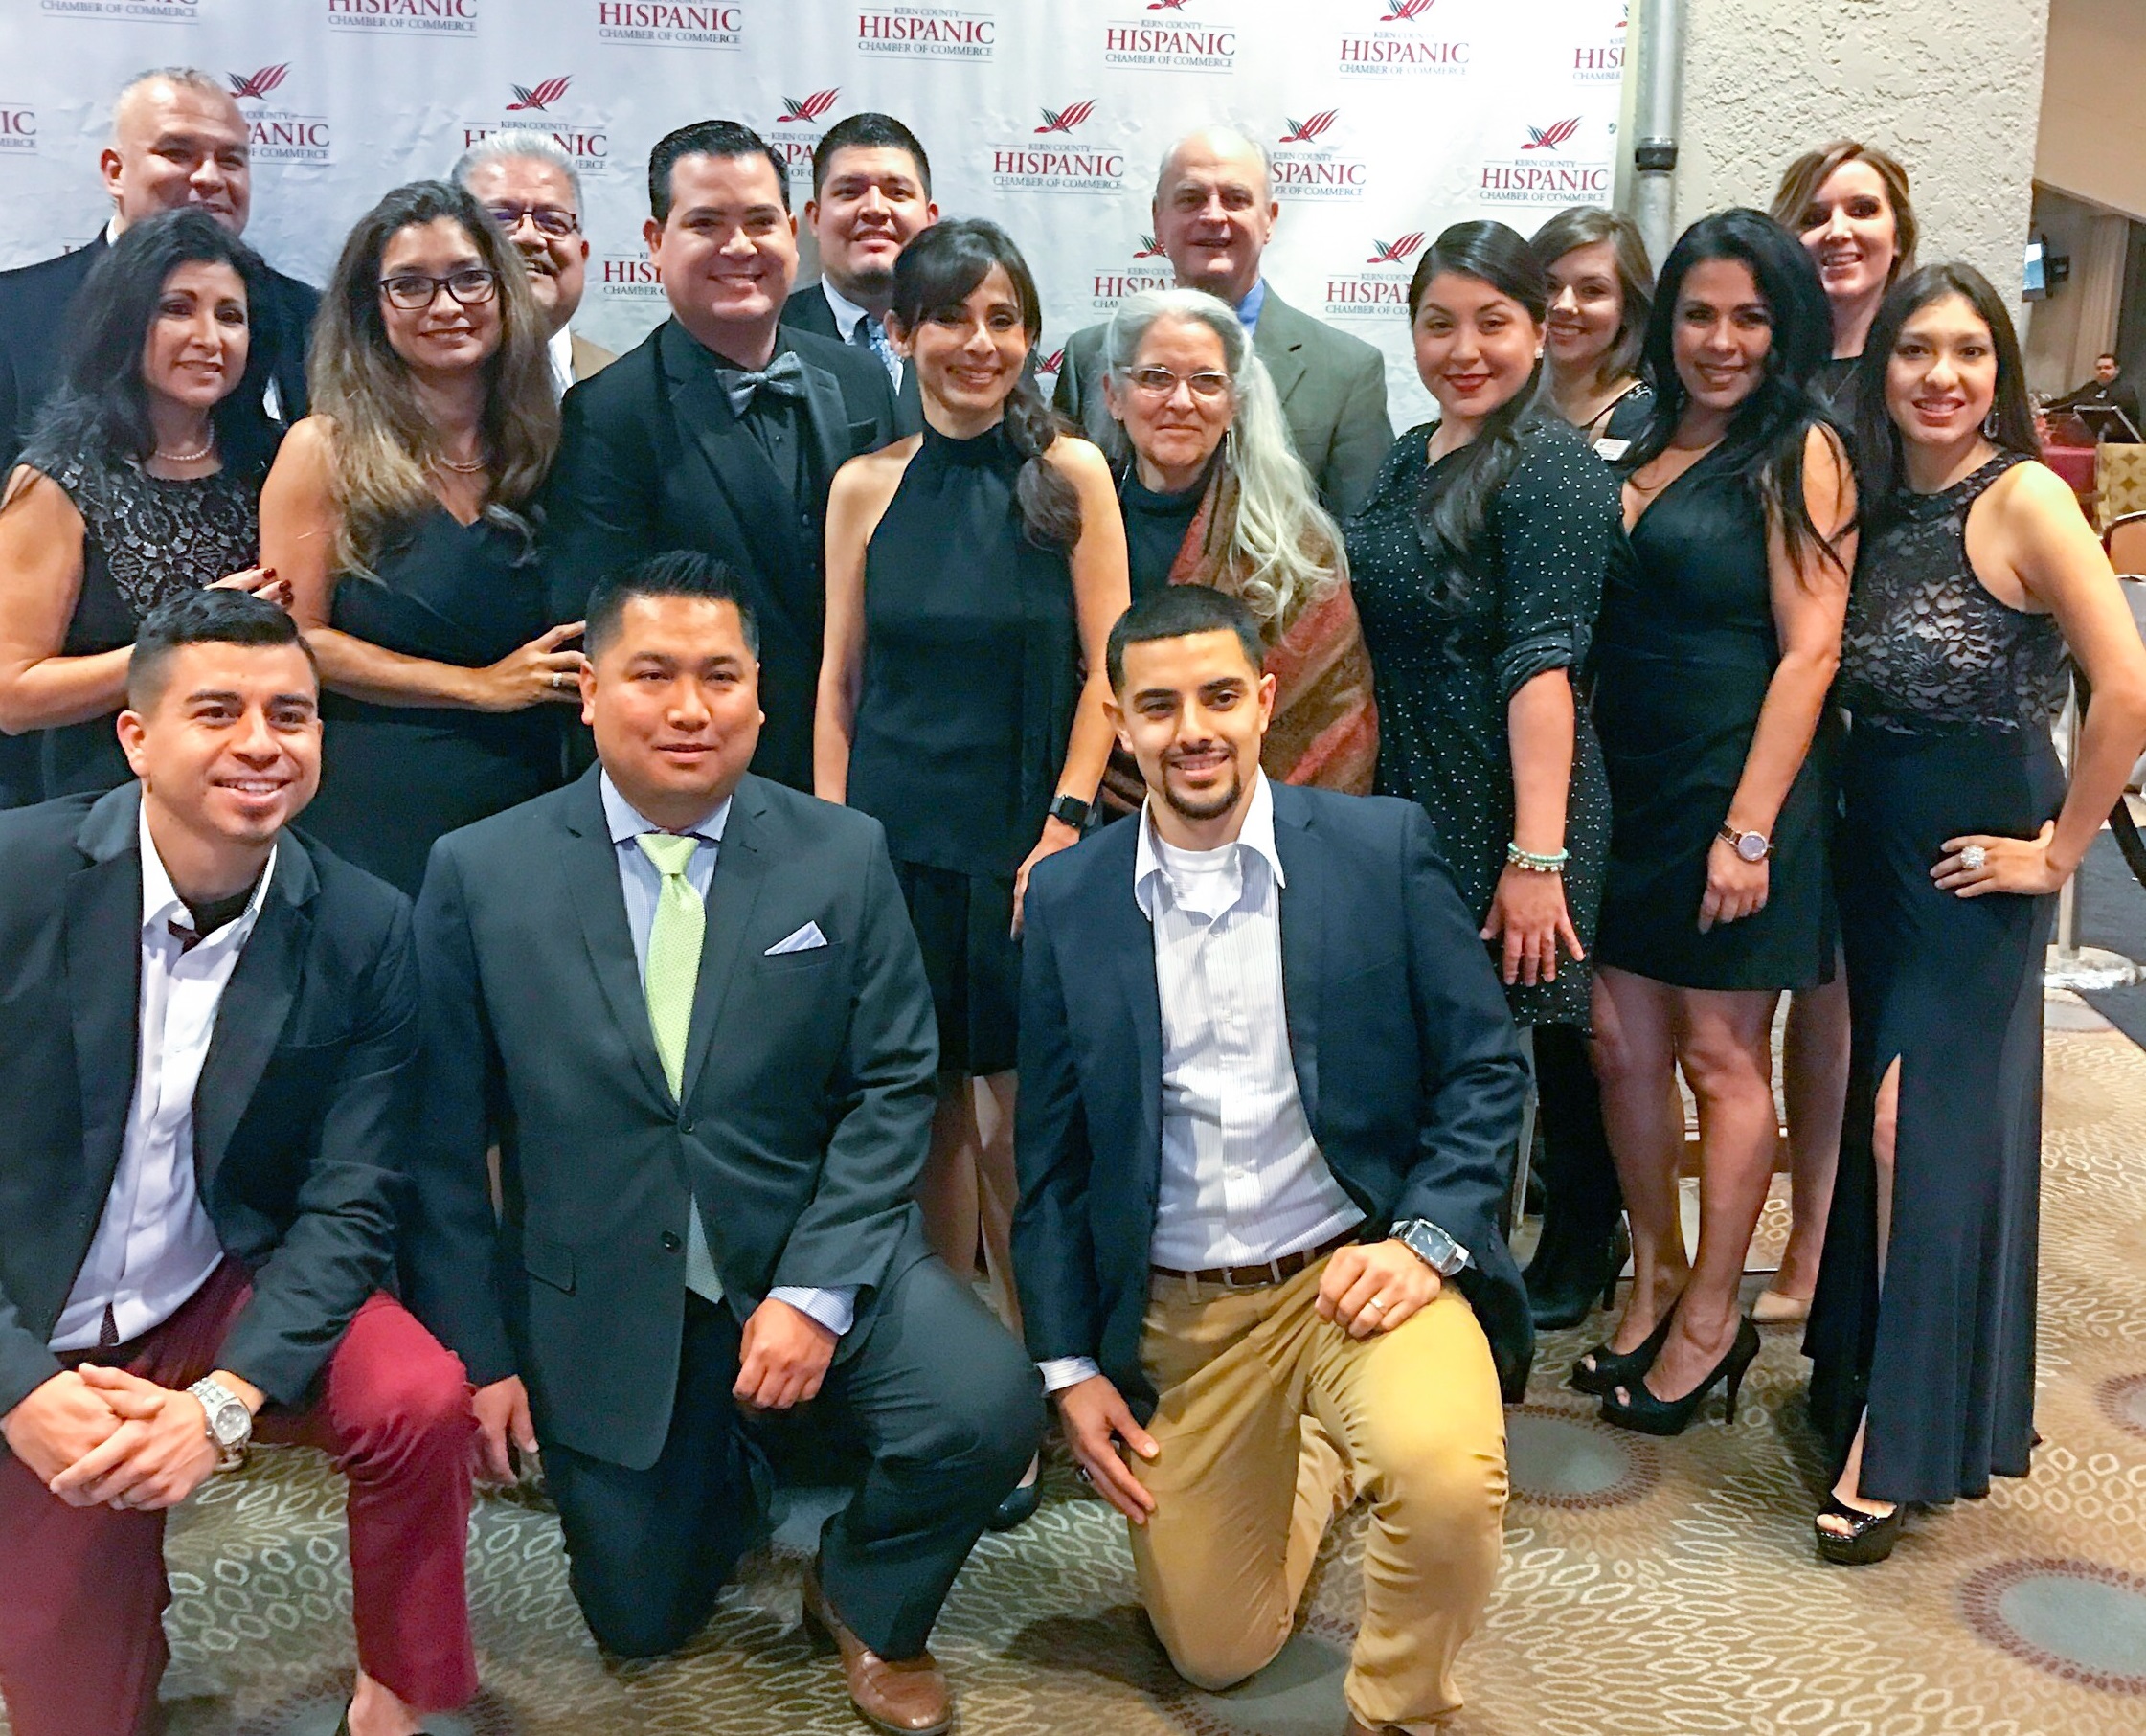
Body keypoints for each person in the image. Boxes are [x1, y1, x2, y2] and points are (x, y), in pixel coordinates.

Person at [407, 552, 1043, 1734]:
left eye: (720, 676)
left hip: (810, 1244)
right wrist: (479, 1356)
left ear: (760, 694)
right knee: (641, 1619)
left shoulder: (841, 853)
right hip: (604, 1287)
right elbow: (440, 1145)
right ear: (590, 690)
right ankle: (733, 1468)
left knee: (985, 1404)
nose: (689, 708)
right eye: (653, 674)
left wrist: (815, 1289)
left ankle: (864, 1591)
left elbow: (894, 1083)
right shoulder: (479, 873)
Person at [1013, 583, 1531, 1733]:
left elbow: (1486, 1069)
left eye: (1217, 697)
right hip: (1184, 1315)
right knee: (1216, 1650)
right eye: (1158, 706)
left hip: (1356, 1272)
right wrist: (1067, 1366)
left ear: (1263, 698)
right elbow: (1049, 1160)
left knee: (1445, 1482)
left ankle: (1401, 1712)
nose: (1191, 729)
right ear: (1119, 721)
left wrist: (1426, 1240)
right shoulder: (1067, 898)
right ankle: (1316, 1455)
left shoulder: (1378, 849)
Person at [0, 589, 477, 1736]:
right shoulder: (14, 880)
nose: (261, 743)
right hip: (34, 1311)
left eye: (291, 715)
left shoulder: (366, 924)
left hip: (219, 1282)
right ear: (135, 736)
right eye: (218, 711)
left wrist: (221, 1403)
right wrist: (17, 1387)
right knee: (74, 1706)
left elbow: (353, 1200)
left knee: (418, 1399)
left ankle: (398, 1694)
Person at [1805, 265, 2146, 1562]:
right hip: (1876, 845)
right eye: (1915, 351)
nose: (1939, 375)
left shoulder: (2028, 498)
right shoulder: (1877, 496)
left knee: (1918, 1129)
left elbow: (2127, 688)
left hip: (1974, 856)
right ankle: (1871, 1376)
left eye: (1966, 351)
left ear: (1999, 367)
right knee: (1880, 1121)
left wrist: (2060, 855)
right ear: (1882, 367)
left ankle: (1897, 1441)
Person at [815, 221, 1126, 1530]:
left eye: (1002, 317)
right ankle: (957, 1393)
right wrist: (836, 851)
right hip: (893, 850)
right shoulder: (864, 486)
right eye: (949, 317)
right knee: (924, 1123)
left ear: (1029, 336)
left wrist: (1062, 827)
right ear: (903, 334)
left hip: (1024, 854)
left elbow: (1111, 674)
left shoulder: (1070, 473)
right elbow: (838, 685)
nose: (977, 342)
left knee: (1014, 1131)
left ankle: (1047, 1373)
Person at [1584, 209, 1856, 1435]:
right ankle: (1653, 1275)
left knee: (1718, 1055)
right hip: (1628, 785)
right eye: (1699, 314)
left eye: (1750, 316)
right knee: (1620, 1045)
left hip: (1738, 785)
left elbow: (1811, 652)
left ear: (1784, 325)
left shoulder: (1803, 448)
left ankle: (1709, 1316)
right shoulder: (1635, 429)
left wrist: (1747, 831)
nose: (1722, 340)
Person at [1346, 222, 1622, 1337]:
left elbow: (1543, 666)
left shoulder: (1552, 466)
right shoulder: (1413, 453)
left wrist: (1536, 858)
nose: (1465, 350)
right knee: (1422, 1063)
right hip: (1407, 794)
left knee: (1490, 1074)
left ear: (1540, 328)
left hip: (1505, 802)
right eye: (1439, 324)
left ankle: (1482, 1325)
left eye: (1492, 323)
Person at [545, 120, 899, 793]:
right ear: (655, 242)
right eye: (706, 223)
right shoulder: (608, 413)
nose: (739, 247)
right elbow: (601, 634)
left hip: (870, 765)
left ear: (791, 231)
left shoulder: (859, 378)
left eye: (761, 222)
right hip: (705, 778)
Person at [0, 67, 317, 810]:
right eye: (177, 309)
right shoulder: (60, 476)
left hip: (261, 794)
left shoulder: (276, 461)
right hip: (101, 805)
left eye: (230, 317)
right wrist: (180, 641)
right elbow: (12, 693)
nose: (208, 337)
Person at [259, 178, 571, 898]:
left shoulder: (553, 444)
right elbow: (296, 638)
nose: (447, 306)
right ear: (371, 307)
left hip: (531, 795)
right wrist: (477, 688)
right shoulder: (322, 450)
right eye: (411, 285)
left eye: (468, 277)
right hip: (376, 806)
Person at [1764, 140, 1919, 1325]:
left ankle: (1839, 1254)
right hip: (1774, 716)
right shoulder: (1768, 373)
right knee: (1798, 993)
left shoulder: (1925, 371)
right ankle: (1805, 1240)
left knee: (1855, 1005)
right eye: (1816, 212)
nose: (1839, 230)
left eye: (1862, 209)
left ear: (1898, 235)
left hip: (1887, 730)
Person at [1095, 285, 1376, 807]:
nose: (1181, 402)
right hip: (1085, 822)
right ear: (1114, 394)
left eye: (1206, 381)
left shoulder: (1295, 549)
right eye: (1156, 377)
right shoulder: (1070, 523)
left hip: (1263, 833)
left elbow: (1329, 729)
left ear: (1234, 403)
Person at [1053, 126, 1392, 517]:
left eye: (1235, 199)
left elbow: (1362, 537)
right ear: (1158, 219)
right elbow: (1061, 516)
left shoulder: (1348, 372)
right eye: (1191, 198)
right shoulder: (1089, 356)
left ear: (1270, 219)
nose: (1213, 216)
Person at [783, 111, 936, 436]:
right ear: (815, 218)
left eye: (897, 192)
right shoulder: (766, 339)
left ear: (929, 219)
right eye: (850, 192)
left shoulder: (980, 339)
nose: (875, 208)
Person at [455, 130, 617, 395]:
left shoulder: (629, 390)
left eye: (552, 220)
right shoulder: (398, 388)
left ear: (583, 253)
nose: (529, 236)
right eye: (500, 217)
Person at [1532, 205, 1656, 451]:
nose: (1564, 305)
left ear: (1629, 307)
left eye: (1592, 291)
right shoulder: (1499, 404)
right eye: (1549, 286)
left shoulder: (1652, 423)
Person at [2049, 350, 2143, 440]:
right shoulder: (2090, 387)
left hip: (2119, 440)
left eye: (2107, 368)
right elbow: (2069, 401)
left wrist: (2089, 402)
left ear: (2117, 370)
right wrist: (2046, 408)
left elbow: (2112, 413)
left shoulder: (2125, 390)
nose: (2102, 371)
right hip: (2089, 438)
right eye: (2099, 368)